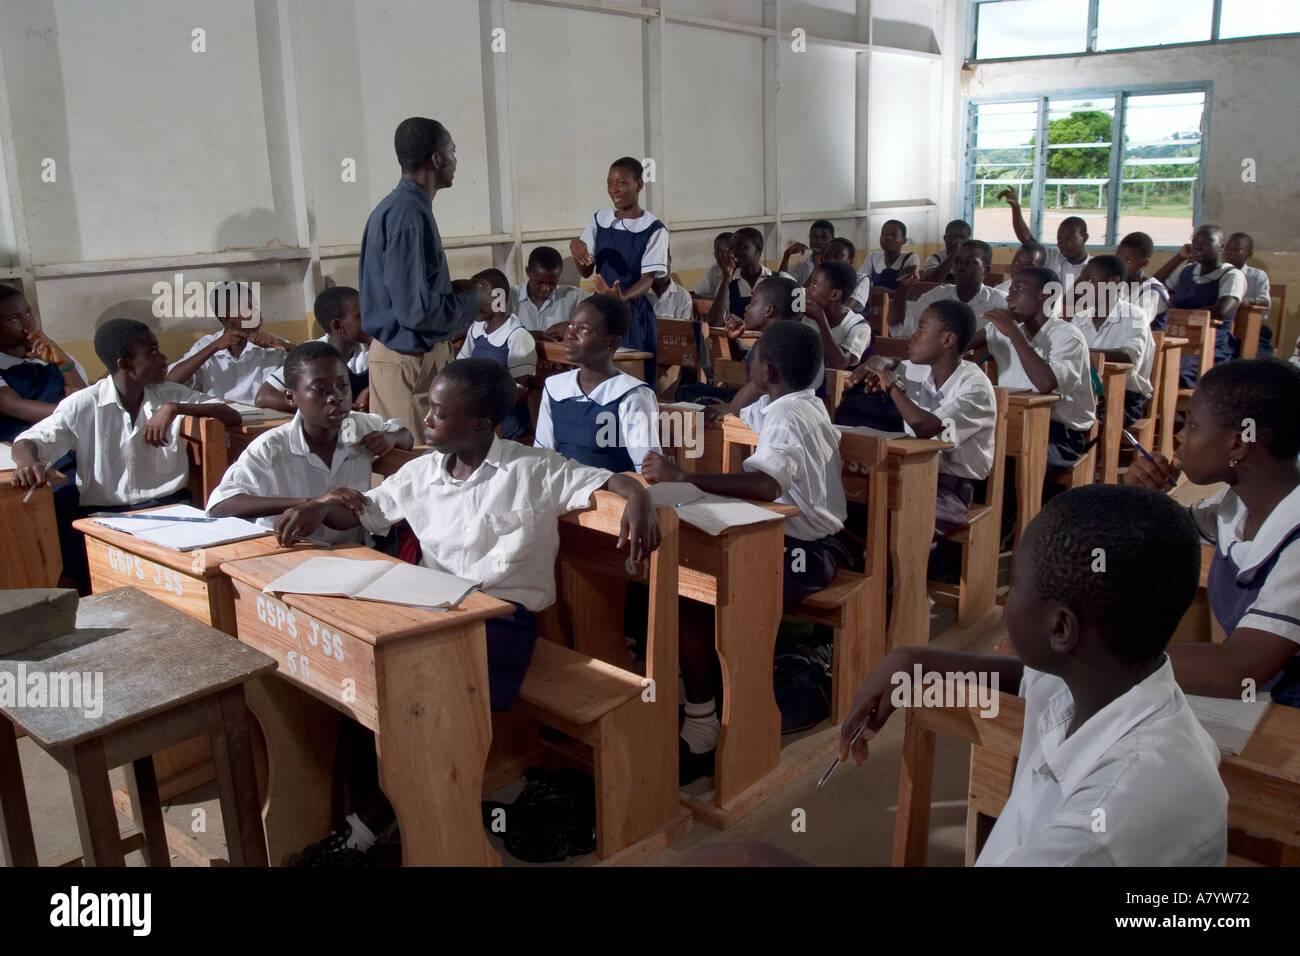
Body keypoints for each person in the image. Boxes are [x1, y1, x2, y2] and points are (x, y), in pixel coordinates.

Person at [837, 484, 1227, 865]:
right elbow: (1026, 678)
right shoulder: (1098, 677)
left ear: (1060, 629)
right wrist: (914, 662)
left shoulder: (1106, 826)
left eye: (1017, 584)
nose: (1007, 598)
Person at [642, 321, 849, 781]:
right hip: (787, 538)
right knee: (690, 573)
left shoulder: (790, 416)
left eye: (753, 358)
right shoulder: (791, 403)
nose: (747, 364)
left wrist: (682, 477)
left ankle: (705, 724)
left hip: (807, 552)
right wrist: (753, 385)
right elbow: (739, 415)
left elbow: (765, 482)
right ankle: (707, 701)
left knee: (695, 592)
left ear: (769, 369)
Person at [10, 318, 241, 589]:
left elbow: (232, 415)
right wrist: (27, 461)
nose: (163, 358)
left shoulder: (168, 394)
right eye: (152, 352)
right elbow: (29, 440)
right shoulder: (84, 404)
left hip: (172, 511)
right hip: (108, 516)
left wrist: (174, 408)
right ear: (125, 363)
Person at [1125, 358, 1300, 708]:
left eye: (1191, 426)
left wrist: (1094, 658)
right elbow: (1163, 531)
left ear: (1237, 445)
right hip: (1261, 702)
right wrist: (1141, 497)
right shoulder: (1238, 503)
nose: (1179, 435)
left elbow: (1239, 671)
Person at [208, 342, 412, 544]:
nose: (335, 397)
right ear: (291, 397)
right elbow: (220, 505)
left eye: (342, 385)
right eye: (320, 389)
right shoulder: (273, 446)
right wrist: (314, 502)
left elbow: (405, 436)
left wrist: (392, 437)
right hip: (290, 551)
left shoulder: (356, 427)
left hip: (352, 552)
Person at [359, 117, 481, 427]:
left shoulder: (400, 208)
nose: (456, 161)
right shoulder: (407, 214)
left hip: (404, 358)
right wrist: (471, 303)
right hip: (409, 361)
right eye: (452, 152)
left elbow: (405, 291)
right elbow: (416, 311)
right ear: (437, 159)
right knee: (412, 465)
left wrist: (449, 290)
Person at [850, 299, 996, 548]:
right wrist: (882, 362)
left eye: (921, 328)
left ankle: (905, 581)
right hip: (909, 472)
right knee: (853, 505)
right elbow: (896, 363)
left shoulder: (975, 387)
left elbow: (927, 427)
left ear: (947, 340)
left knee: (901, 519)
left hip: (951, 487)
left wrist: (892, 386)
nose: (911, 336)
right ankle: (874, 574)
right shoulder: (920, 368)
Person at [969, 267, 1095, 478]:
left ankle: (1018, 511)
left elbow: (1045, 384)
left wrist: (1014, 333)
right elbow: (958, 346)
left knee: (1014, 464)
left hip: (1059, 432)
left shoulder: (1067, 336)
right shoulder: (999, 329)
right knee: (967, 452)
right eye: (1010, 289)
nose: (1009, 296)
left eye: (1019, 288)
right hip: (1010, 420)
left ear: (1046, 295)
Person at [535, 295, 660, 473]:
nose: (570, 335)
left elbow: (647, 470)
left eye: (584, 330)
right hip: (562, 492)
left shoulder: (631, 395)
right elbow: (542, 456)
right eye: (570, 325)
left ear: (612, 342)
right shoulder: (554, 387)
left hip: (611, 495)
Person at [571, 157, 669, 382]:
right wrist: (577, 250)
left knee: (631, 379)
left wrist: (621, 297)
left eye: (621, 183)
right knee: (597, 377)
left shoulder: (654, 229)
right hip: (599, 311)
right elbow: (586, 271)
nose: (614, 189)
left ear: (639, 185)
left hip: (633, 313)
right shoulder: (599, 219)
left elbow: (647, 280)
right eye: (609, 183)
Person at [166, 282, 289, 403]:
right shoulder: (206, 345)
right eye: (250, 308)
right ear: (229, 317)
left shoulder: (272, 343)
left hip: (268, 419)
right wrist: (214, 347)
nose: (259, 313)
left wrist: (285, 345)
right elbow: (170, 381)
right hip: (222, 418)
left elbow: (306, 362)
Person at [255, 286, 371, 413]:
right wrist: (322, 407)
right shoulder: (311, 353)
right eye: (360, 316)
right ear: (338, 325)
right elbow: (264, 397)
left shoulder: (373, 349)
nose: (370, 320)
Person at [1153, 224, 1244, 385]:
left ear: (1221, 246)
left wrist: (1177, 315)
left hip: (1209, 345)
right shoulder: (1187, 271)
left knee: (1173, 374)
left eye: (1207, 241)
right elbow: (1153, 286)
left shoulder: (1231, 275)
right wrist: (1179, 257)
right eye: (1195, 241)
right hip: (1174, 338)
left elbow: (1221, 311)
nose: (1198, 245)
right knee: (1148, 367)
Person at [1069, 255, 1153, 426]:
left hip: (1124, 396)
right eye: (1081, 280)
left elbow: (1129, 356)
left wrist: (1082, 354)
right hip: (1086, 391)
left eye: (1090, 280)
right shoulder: (1080, 317)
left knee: (1075, 419)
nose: (1081, 287)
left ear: (1113, 283)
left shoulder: (1134, 316)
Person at [456, 269, 537, 440]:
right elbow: (460, 368)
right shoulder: (477, 328)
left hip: (504, 414)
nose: (473, 305)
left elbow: (521, 390)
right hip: (476, 408)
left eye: (478, 299)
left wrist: (485, 405)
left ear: (498, 298)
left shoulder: (516, 335)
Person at [0, 284, 87, 441]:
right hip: (25, 451)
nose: (28, 324)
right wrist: (80, 414)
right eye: (14, 318)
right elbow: (14, 407)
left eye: (28, 313)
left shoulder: (58, 358)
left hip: (71, 446)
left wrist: (65, 365)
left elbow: (84, 399)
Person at [889, 239, 1006, 336]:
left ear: (986, 269)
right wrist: (903, 289)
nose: (960, 267)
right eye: (957, 261)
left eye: (969, 262)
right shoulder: (937, 296)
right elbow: (898, 326)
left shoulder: (999, 302)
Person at [996, 190, 1090, 294]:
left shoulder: (1093, 268)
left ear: (1084, 238)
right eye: (1059, 239)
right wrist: (1016, 208)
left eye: (1069, 238)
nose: (1063, 244)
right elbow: (1027, 240)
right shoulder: (1054, 256)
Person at [803, 260, 872, 369]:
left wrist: (821, 319)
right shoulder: (804, 315)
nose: (807, 289)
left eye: (815, 285)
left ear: (834, 295)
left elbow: (839, 364)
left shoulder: (859, 327)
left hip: (836, 384)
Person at [703, 227, 774, 326]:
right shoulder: (727, 284)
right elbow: (713, 324)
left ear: (757, 249)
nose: (734, 252)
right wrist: (726, 276)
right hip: (738, 340)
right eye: (731, 248)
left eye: (741, 246)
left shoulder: (776, 279)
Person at [510, 246, 587, 335]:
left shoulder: (572, 296)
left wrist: (572, 325)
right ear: (528, 271)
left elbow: (599, 312)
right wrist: (530, 335)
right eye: (540, 282)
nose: (546, 288)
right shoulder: (511, 296)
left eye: (552, 283)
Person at [1224, 231, 1273, 357]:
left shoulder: (1257, 275)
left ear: (1249, 253)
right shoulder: (1218, 273)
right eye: (1227, 249)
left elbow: (1265, 301)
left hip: (1250, 326)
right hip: (1224, 326)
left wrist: (1251, 300)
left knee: (1256, 357)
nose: (1229, 252)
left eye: (1236, 249)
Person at [1115, 231, 1169, 330]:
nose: (1120, 265)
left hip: (1145, 344)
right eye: (1118, 259)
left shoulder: (1153, 291)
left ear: (1144, 263)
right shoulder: (1117, 285)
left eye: (1128, 261)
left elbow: (1135, 324)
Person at [864, 220, 919, 292]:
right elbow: (861, 283)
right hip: (874, 302)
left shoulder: (910, 258)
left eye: (893, 235)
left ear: (904, 240)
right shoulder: (872, 257)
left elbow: (905, 291)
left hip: (901, 302)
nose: (888, 238)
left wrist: (881, 290)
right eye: (883, 234)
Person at [778, 220, 835, 286]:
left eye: (824, 237)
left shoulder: (837, 267)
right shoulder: (802, 267)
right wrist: (786, 255)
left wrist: (817, 268)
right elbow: (781, 286)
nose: (819, 241)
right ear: (809, 238)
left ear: (832, 240)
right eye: (815, 237)